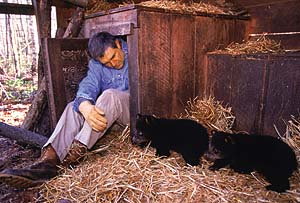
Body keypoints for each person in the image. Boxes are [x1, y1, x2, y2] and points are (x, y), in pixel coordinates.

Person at [0, 31, 130, 188]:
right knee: (74, 107)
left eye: (113, 57)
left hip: (132, 116)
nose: (113, 63)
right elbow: (88, 85)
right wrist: (84, 105)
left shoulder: (135, 51)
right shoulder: (97, 64)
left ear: (117, 44)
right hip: (108, 119)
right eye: (106, 63)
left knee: (110, 95)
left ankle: (72, 157)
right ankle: (48, 161)